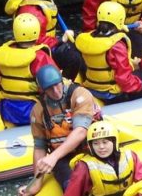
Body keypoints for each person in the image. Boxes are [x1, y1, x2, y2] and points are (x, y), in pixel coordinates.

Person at [20, 65, 100, 196]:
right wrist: (36, 183)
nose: (56, 91)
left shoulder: (80, 94)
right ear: (42, 89)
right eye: (50, 89)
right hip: (63, 159)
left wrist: (52, 157)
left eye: (57, 85)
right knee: (71, 184)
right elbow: (40, 147)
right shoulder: (38, 111)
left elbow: (81, 131)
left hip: (90, 149)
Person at [6, 0, 82, 78]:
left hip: (47, 44)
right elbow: (35, 40)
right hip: (39, 50)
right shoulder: (32, 12)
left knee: (79, 41)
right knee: (73, 58)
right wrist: (61, 40)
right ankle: (64, 87)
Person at [0, 13, 59, 125]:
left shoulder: (1, 55)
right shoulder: (40, 57)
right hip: (33, 110)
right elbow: (55, 88)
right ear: (37, 31)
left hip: (7, 109)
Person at [74, 1, 142, 103]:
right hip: (112, 94)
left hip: (91, 88)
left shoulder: (86, 40)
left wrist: (131, 64)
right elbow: (124, 80)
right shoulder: (116, 45)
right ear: (120, 20)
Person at [64, 120, 142, 196]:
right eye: (96, 143)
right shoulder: (84, 166)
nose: (101, 147)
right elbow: (73, 192)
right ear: (90, 146)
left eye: (105, 142)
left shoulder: (129, 156)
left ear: (114, 142)